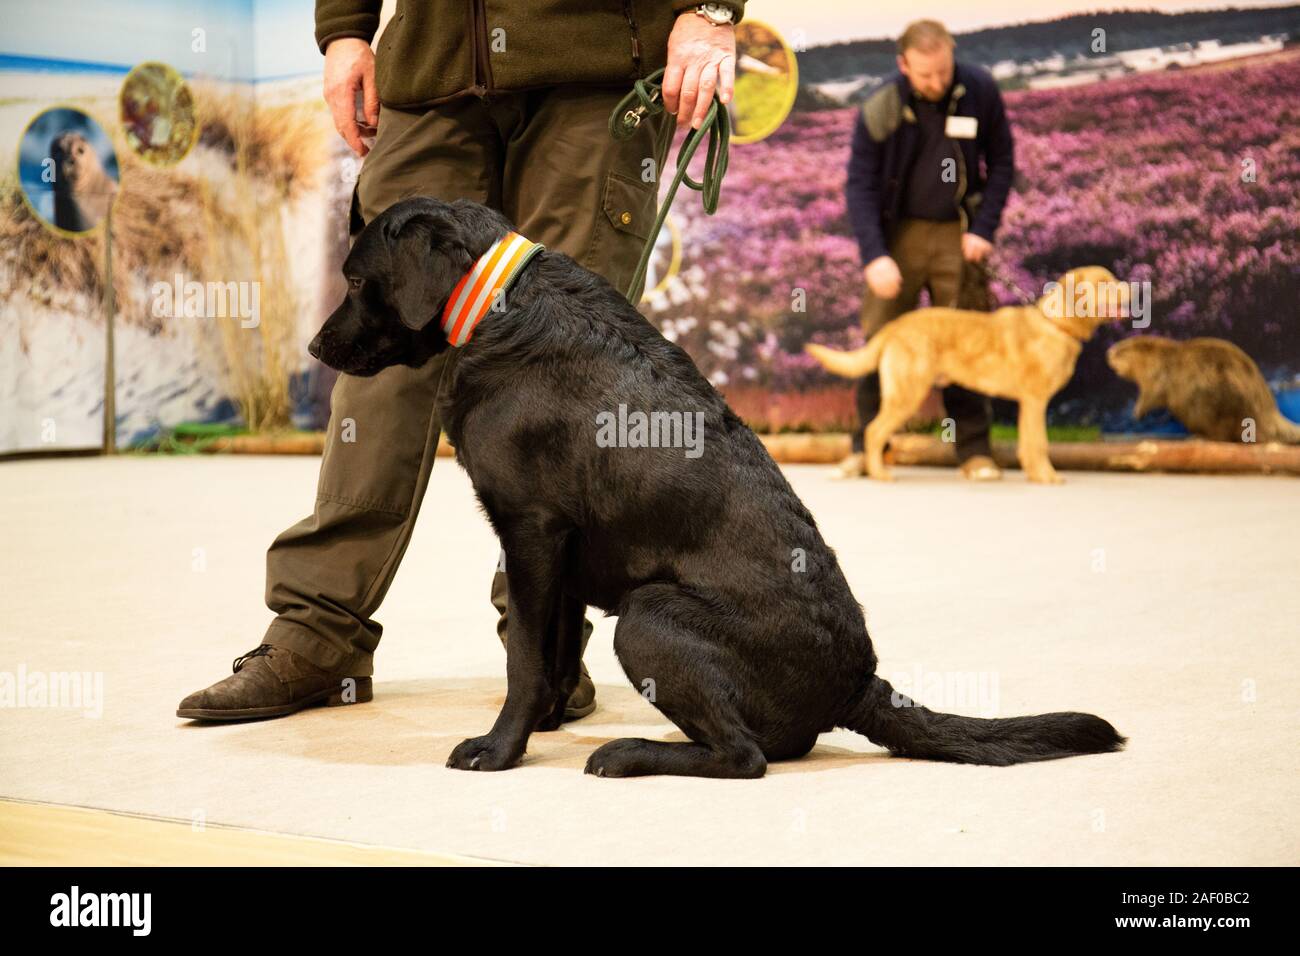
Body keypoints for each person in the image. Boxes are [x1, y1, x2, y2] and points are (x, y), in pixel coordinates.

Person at [177, 1, 746, 722]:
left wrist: (712, 9)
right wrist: (346, 28)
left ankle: (544, 651)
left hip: (598, 59)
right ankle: (319, 629)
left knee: (565, 370)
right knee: (382, 352)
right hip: (431, 65)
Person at [837, 18, 1014, 480]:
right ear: (903, 65)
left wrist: (984, 229)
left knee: (968, 339)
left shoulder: (979, 90)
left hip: (959, 233)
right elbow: (859, 186)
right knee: (881, 337)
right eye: (925, 74)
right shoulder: (881, 105)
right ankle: (867, 446)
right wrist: (875, 255)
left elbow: (1002, 164)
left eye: (943, 70)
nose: (936, 82)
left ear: (952, 55)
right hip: (899, 237)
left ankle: (974, 451)